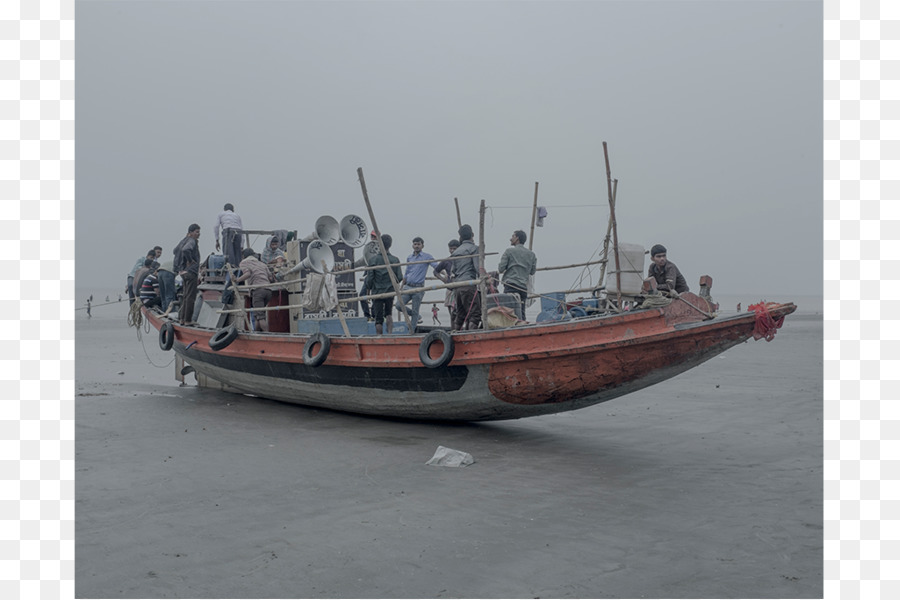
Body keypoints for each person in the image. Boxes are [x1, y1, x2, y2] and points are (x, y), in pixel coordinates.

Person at [394, 236, 437, 332]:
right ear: (412, 245)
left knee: (415, 310)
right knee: (398, 305)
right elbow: (406, 272)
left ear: (422, 245)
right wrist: (402, 287)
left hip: (418, 288)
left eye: (418, 244)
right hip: (408, 286)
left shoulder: (427, 256)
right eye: (415, 244)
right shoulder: (410, 257)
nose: (417, 246)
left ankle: (411, 332)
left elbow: (436, 266)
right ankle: (417, 316)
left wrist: (444, 273)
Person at [364, 234, 403, 335]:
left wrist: (369, 287)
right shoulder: (395, 260)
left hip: (377, 292)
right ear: (390, 245)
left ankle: (379, 337)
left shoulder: (373, 260)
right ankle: (390, 334)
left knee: (378, 318)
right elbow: (399, 277)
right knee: (389, 313)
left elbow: (370, 279)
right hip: (390, 291)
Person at [497, 230, 537, 320]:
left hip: (510, 285)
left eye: (513, 236)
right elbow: (532, 271)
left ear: (517, 238)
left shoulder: (509, 251)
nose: (510, 239)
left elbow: (500, 269)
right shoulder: (531, 254)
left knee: (509, 314)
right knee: (521, 313)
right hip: (522, 287)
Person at [450, 225, 482, 331]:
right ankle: (471, 337)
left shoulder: (456, 252)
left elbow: (453, 271)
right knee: (475, 314)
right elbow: (478, 268)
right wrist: (486, 277)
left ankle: (455, 335)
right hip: (469, 284)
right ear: (472, 235)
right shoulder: (474, 249)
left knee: (460, 314)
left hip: (458, 286)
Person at [236, 248, 274, 332]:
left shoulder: (244, 263)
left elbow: (248, 274)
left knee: (260, 317)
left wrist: (237, 280)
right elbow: (271, 278)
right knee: (258, 315)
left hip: (258, 291)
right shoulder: (261, 263)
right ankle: (256, 333)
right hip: (268, 291)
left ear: (243, 256)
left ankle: (268, 337)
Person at [174, 224, 201, 325]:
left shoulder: (183, 240)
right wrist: (190, 260)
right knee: (190, 297)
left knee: (185, 296)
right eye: (197, 232)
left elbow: (175, 250)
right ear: (191, 232)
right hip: (190, 272)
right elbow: (186, 250)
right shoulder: (191, 241)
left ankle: (182, 319)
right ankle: (188, 320)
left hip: (183, 272)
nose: (198, 234)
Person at [354, 231, 380, 320]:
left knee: (375, 298)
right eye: (372, 236)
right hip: (369, 277)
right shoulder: (368, 251)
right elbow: (360, 262)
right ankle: (367, 315)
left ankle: (374, 315)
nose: (373, 238)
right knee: (362, 296)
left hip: (378, 278)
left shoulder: (382, 250)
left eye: (375, 236)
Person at [433, 239, 460, 324]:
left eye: (454, 249)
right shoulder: (447, 261)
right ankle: (453, 329)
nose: (452, 251)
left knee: (460, 312)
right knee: (452, 314)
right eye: (451, 248)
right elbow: (435, 271)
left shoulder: (463, 260)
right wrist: (443, 279)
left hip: (460, 288)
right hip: (450, 289)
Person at [214, 203, 243, 268]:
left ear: (224, 209)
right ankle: (238, 267)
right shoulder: (237, 215)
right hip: (238, 231)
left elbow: (216, 227)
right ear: (233, 210)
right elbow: (242, 229)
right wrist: (242, 245)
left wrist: (217, 240)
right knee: (237, 253)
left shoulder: (221, 214)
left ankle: (230, 267)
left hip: (228, 231)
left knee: (228, 252)